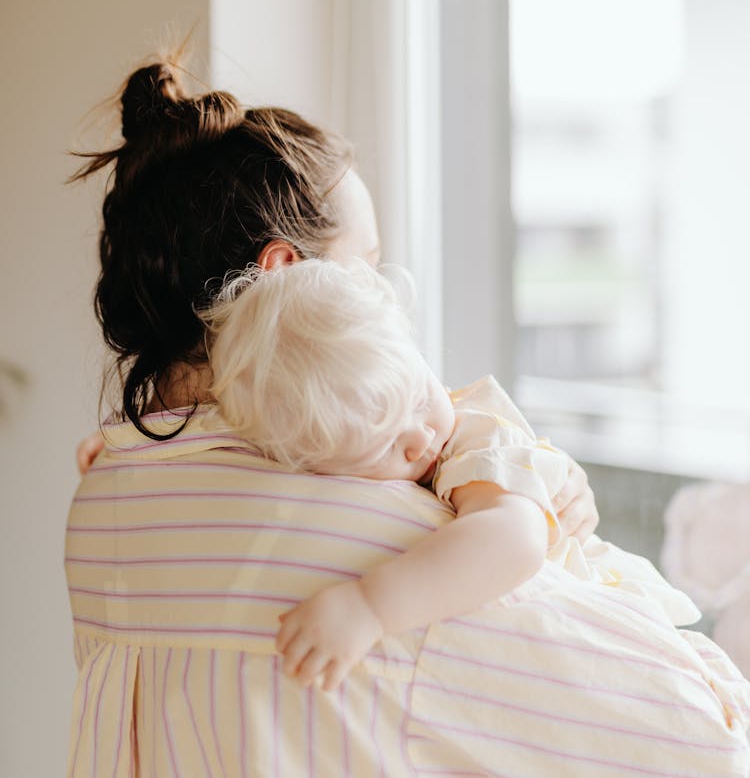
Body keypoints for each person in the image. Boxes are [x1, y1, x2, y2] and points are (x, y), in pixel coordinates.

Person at [66, 58, 748, 777]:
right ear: (285, 272)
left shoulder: (102, 504)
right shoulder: (390, 548)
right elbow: (702, 743)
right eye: (367, 265)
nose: (387, 301)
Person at [201, 256, 750, 727]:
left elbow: (512, 542)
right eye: (382, 446)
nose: (420, 439)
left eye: (418, 397)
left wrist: (370, 606)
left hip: (633, 638)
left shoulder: (476, 439)